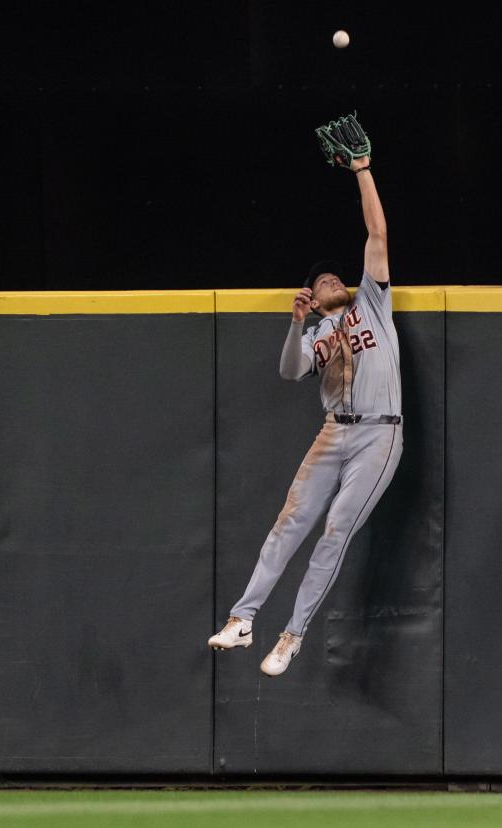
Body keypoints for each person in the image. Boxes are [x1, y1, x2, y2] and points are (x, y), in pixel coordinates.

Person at [207, 140, 403, 678]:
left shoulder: (372, 303)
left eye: (335, 277)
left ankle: (292, 635)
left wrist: (362, 170)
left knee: (336, 529)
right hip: (332, 433)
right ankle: (243, 619)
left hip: (379, 435)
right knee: (288, 523)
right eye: (323, 282)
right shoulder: (316, 331)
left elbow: (378, 234)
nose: (333, 281)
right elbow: (291, 372)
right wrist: (296, 323)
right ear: (313, 298)